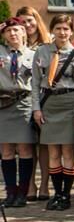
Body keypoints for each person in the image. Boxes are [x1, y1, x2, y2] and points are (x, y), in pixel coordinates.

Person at [31, 15, 74, 210]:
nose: (62, 32)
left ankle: (66, 195)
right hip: (49, 104)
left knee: (67, 151)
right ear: (52, 30)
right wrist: (36, 109)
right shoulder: (41, 51)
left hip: (69, 104)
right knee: (53, 151)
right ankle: (56, 193)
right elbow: (35, 83)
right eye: (58, 28)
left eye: (66, 29)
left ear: (71, 31)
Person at [18, 6, 53, 202]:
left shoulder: (47, 43)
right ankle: (31, 184)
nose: (27, 25)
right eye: (22, 22)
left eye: (30, 20)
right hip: (23, 101)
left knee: (44, 145)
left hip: (45, 99)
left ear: (37, 21)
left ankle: (45, 184)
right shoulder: (15, 46)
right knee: (28, 145)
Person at [0, 18, 36, 207]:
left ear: (24, 32)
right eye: (8, 31)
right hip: (3, 104)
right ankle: (10, 193)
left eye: (16, 30)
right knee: (6, 150)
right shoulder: (0, 52)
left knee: (24, 149)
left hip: (24, 103)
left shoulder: (33, 54)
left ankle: (23, 192)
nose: (12, 34)